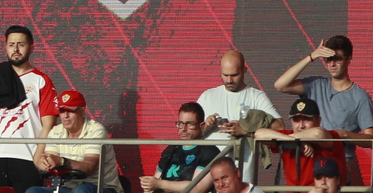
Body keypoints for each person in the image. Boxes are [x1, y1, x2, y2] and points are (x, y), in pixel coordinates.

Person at [0, 25, 58, 193]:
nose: (16, 49)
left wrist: (38, 155)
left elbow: (48, 124)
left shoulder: (41, 80)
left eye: (21, 44)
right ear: (6, 47)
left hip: (27, 156)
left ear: (31, 47)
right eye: (11, 44)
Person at [196, 50, 280, 182]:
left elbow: (279, 127)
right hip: (208, 178)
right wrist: (205, 127)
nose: (229, 80)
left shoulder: (256, 96)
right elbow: (189, 135)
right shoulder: (207, 96)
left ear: (245, 70)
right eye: (225, 75)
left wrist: (245, 130)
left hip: (241, 178)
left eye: (234, 75)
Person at [275, 37, 373, 138]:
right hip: (311, 152)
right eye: (329, 59)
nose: (332, 64)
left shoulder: (360, 97)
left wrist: (343, 134)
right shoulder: (316, 84)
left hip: (342, 153)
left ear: (349, 59)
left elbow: (370, 139)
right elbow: (280, 86)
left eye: (338, 59)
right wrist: (312, 56)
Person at [25, 91, 116, 193]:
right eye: (62, 111)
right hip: (68, 188)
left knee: (81, 190)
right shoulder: (55, 132)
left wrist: (62, 161)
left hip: (101, 187)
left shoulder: (96, 131)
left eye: (70, 110)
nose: (65, 116)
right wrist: (46, 163)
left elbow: (89, 167)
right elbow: (51, 158)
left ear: (82, 111)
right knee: (33, 191)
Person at [254, 97, 348, 188]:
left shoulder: (330, 135)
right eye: (296, 120)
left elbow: (318, 133)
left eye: (306, 119)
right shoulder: (289, 135)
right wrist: (293, 141)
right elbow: (259, 134)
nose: (301, 125)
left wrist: (294, 140)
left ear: (318, 120)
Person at [141, 104, 219, 193]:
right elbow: (156, 179)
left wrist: (159, 184)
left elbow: (197, 188)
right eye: (180, 124)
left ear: (202, 126)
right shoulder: (171, 149)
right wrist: (149, 185)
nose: (183, 129)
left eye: (189, 124)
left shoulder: (209, 151)